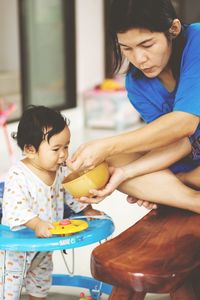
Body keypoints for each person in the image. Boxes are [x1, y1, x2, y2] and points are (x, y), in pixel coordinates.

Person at [67, 0, 200, 213]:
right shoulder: (137, 84)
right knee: (111, 163)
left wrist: (108, 145)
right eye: (126, 48)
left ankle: (177, 185)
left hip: (189, 169)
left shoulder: (197, 41)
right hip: (187, 160)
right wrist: (126, 173)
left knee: (110, 152)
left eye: (147, 45)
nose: (139, 59)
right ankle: (192, 199)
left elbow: (184, 123)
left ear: (173, 29)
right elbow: (180, 142)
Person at [0, 105, 102, 300]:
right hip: (17, 249)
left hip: (45, 243)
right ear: (30, 150)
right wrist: (36, 223)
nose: (63, 154)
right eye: (56, 149)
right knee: (8, 289)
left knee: (40, 283)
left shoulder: (60, 170)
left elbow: (70, 194)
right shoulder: (18, 175)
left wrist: (86, 209)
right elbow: (15, 208)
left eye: (66, 146)